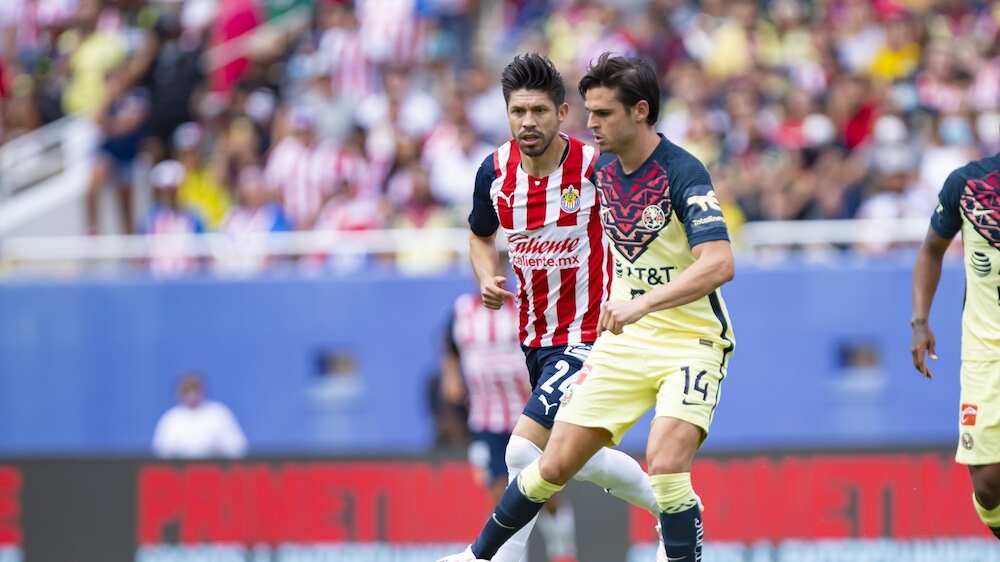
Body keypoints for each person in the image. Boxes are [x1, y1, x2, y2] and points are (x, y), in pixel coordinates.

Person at [440, 52, 735, 562]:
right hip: (535, 335)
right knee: (565, 459)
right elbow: (479, 234)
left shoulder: (593, 167)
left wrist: (638, 304)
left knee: (522, 452)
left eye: (539, 111)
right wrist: (486, 274)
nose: (528, 122)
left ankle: (481, 558)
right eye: (517, 112)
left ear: (560, 114)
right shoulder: (495, 171)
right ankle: (673, 509)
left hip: (595, 331)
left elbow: (714, 257)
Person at [442, 284, 579, 562]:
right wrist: (452, 376)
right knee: (501, 495)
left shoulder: (521, 309)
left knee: (545, 489)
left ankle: (563, 550)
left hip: (530, 414)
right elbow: (450, 349)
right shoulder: (462, 311)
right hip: (486, 419)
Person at [912, 152, 1000, 540]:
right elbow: (932, 249)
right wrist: (920, 322)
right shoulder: (969, 185)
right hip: (987, 351)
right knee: (987, 484)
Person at [152, 372, 247, 458]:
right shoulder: (171, 418)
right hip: (180, 474)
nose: (192, 395)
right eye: (187, 391)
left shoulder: (218, 414)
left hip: (213, 471)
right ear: (179, 393)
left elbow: (238, 447)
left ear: (202, 391)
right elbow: (161, 451)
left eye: (195, 389)